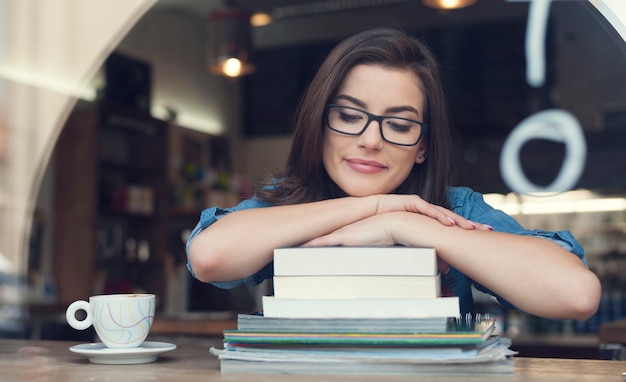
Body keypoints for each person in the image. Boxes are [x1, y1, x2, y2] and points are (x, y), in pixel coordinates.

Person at [186, 27, 600, 319]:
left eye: (399, 125)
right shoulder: (288, 204)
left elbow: (576, 295)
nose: (370, 140)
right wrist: (375, 205)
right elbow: (208, 257)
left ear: (423, 146)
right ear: (319, 123)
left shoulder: (454, 209)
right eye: (349, 116)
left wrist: (404, 224)